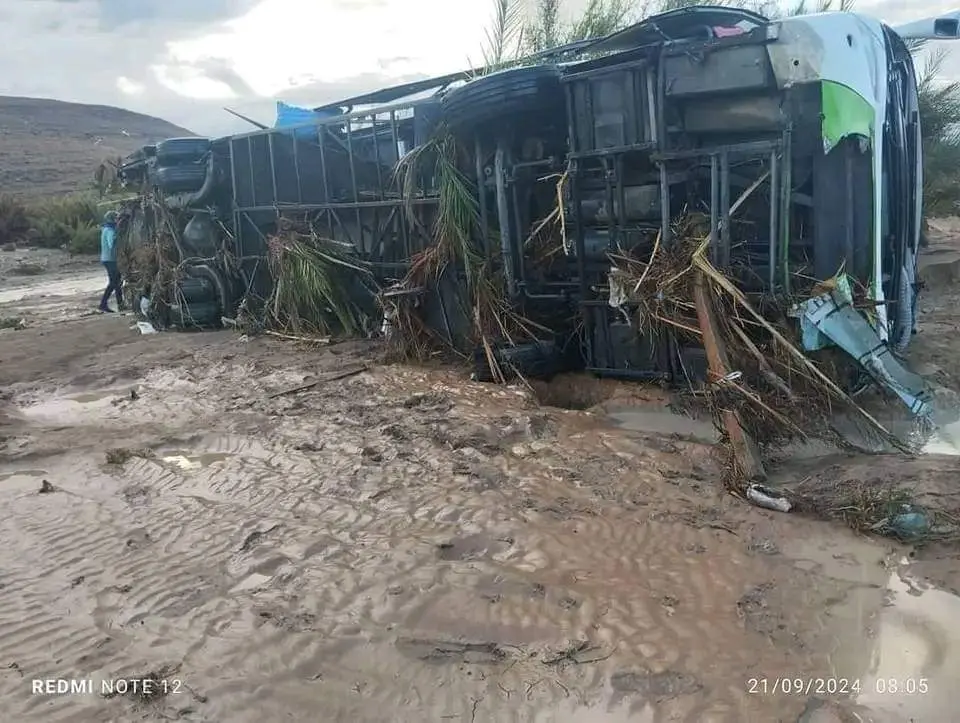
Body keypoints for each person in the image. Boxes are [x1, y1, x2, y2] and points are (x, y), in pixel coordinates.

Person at [99, 210, 123, 312]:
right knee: (114, 282)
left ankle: (120, 304)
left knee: (117, 282)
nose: (118, 221)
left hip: (108, 259)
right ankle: (103, 304)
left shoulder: (106, 229)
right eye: (117, 219)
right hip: (110, 260)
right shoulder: (109, 230)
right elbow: (112, 243)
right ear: (113, 219)